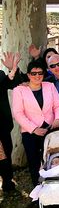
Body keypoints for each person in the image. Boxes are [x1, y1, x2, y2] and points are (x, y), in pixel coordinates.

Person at [11, 60, 59, 187]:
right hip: (30, 132)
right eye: (33, 73)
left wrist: (58, 119)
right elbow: (18, 113)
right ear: (28, 75)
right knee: (34, 164)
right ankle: (39, 191)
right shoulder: (19, 90)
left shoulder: (49, 86)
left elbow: (58, 105)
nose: (37, 76)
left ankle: (56, 187)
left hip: (51, 128)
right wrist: (34, 129)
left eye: (40, 73)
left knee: (53, 160)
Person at [0, 52, 21, 192]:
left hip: (1, 125)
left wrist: (12, 70)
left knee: (5, 153)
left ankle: (7, 181)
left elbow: (13, 83)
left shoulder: (0, 74)